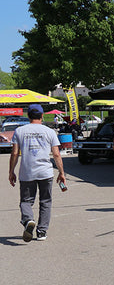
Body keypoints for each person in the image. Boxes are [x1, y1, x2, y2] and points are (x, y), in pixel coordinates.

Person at [8, 103, 66, 242]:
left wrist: (11, 171)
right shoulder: (50, 131)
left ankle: (28, 220)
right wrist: (61, 173)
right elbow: (56, 154)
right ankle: (41, 232)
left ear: (28, 116)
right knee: (45, 201)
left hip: (27, 172)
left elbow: (15, 153)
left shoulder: (19, 131)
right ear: (42, 115)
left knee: (26, 201)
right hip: (45, 172)